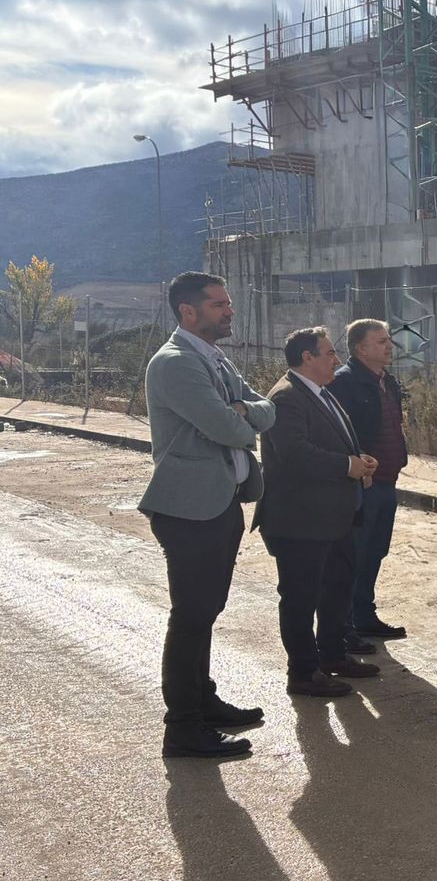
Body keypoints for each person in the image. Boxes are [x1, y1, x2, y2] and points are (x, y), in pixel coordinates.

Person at [140, 271, 275, 759]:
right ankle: (183, 729)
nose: (229, 311)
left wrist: (242, 411)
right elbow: (230, 427)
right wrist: (240, 415)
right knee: (192, 616)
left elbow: (267, 409)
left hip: (220, 504)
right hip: (189, 510)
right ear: (188, 312)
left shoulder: (214, 358)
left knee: (206, 612)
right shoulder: (175, 363)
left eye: (228, 303)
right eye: (219, 305)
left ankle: (204, 701)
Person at [253, 327, 380, 698]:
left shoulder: (320, 394)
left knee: (336, 589)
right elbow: (294, 453)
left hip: (333, 517)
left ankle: (333, 656)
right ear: (307, 357)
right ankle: (304, 672)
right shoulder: (287, 396)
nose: (336, 360)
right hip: (300, 520)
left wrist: (359, 462)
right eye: (328, 353)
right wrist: (347, 466)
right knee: (300, 598)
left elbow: (338, 442)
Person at [327, 318, 408, 652]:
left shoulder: (385, 380)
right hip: (362, 483)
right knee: (353, 555)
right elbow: (334, 433)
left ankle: (364, 616)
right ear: (361, 348)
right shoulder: (344, 383)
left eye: (388, 340)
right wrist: (356, 461)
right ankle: (342, 627)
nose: (389, 346)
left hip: (387, 480)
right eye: (380, 341)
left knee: (375, 552)